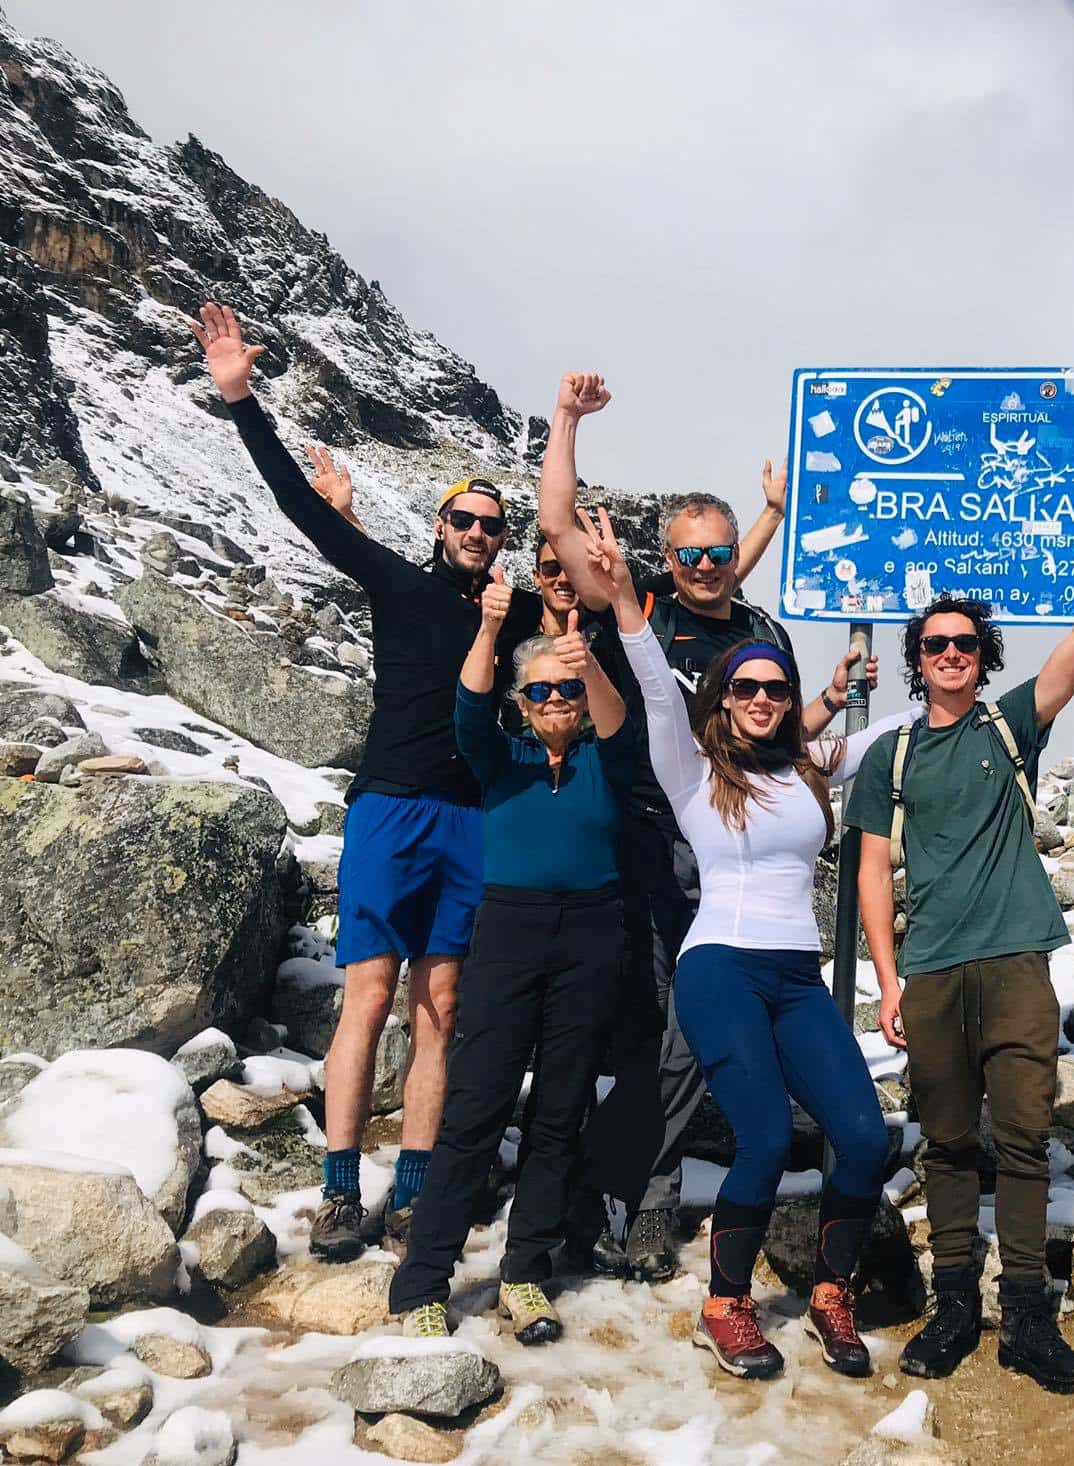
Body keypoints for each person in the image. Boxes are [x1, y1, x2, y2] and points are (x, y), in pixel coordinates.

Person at [189, 302, 541, 1261]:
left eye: (491, 525)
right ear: (440, 527)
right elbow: (302, 513)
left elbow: (601, 597)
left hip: (472, 815)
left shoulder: (515, 610)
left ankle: (422, 1185)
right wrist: (241, 399)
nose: (478, 532)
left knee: (445, 1005)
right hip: (389, 804)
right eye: (465, 520)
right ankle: (342, 1189)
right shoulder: (398, 583)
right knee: (369, 997)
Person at [535, 372, 871, 1284]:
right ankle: (628, 1195)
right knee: (655, 1037)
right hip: (649, 838)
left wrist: (831, 703)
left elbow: (779, 737)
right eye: (689, 556)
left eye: (720, 552)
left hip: (737, 853)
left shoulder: (757, 628)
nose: (705, 567)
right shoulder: (640, 607)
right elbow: (559, 523)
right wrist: (567, 418)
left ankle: (635, 1197)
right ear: (666, 561)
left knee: (684, 1040)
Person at [575, 508, 913, 1379]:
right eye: (746, 689)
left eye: (773, 688)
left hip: (798, 977)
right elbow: (653, 684)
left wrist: (953, 687)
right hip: (720, 968)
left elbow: (897, 735)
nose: (762, 700)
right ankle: (726, 1304)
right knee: (762, 1136)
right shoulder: (691, 768)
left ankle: (831, 1294)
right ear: (723, 699)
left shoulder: (808, 766)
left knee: (864, 1139)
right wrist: (621, 598)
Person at [845, 472, 1074, 1394]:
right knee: (945, 1140)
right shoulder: (889, 755)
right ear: (916, 657)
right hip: (930, 971)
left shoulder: (1011, 728)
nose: (951, 655)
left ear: (984, 655)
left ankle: (1027, 1314)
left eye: (966, 644)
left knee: (1018, 1137)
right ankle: (955, 1300)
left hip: (1014, 962)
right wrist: (886, 982)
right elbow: (870, 874)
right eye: (935, 645)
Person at [388, 576, 636, 1343]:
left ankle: (526, 1272)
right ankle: (424, 1279)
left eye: (566, 689)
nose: (557, 699)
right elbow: (468, 708)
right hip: (509, 933)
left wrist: (585, 660)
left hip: (592, 933)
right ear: (521, 704)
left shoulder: (607, 758)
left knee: (560, 1112)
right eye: (541, 692)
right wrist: (491, 633)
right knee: (475, 1107)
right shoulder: (502, 760)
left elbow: (619, 720)